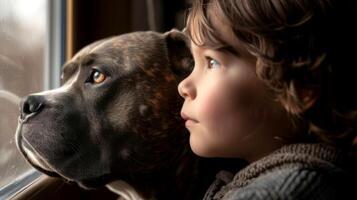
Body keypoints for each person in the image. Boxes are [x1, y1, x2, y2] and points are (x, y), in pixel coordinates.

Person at [178, 0, 357, 199]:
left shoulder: (279, 193)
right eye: (194, 62)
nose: (183, 86)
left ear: (301, 85)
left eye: (212, 62)